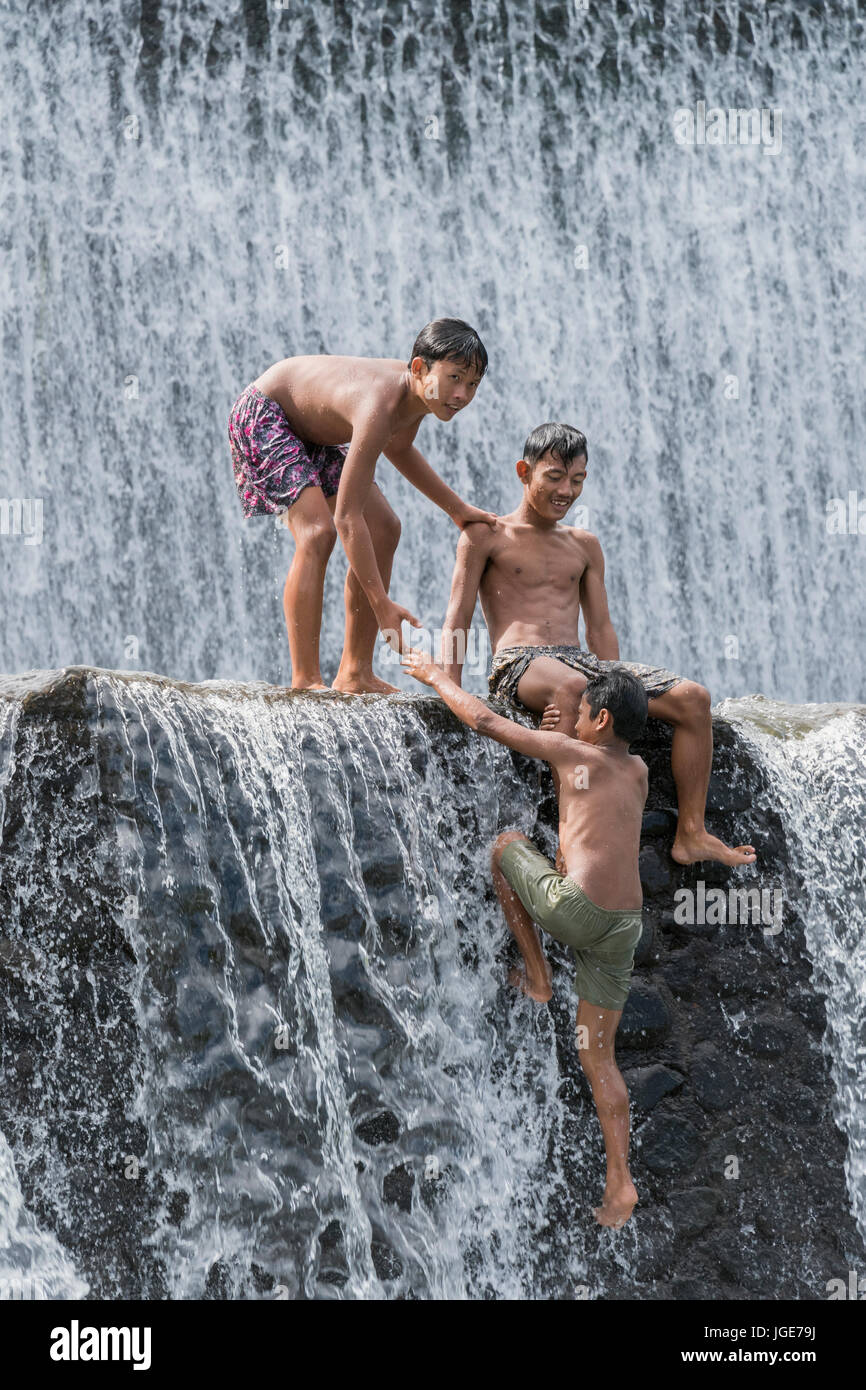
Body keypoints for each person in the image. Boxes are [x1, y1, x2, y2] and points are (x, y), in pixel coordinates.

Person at [403, 651, 649, 1229]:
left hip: (574, 911)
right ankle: (620, 1181)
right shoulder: (635, 770)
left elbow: (487, 723)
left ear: (602, 721)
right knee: (599, 1055)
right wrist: (568, 737)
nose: (574, 719)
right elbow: (586, 786)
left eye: (583, 712)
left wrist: (436, 676)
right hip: (622, 929)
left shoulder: (572, 752)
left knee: (504, 845)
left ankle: (538, 977)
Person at [439, 422, 757, 867]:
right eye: (554, 477)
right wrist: (447, 688)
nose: (566, 490)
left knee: (693, 699)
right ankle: (571, 847)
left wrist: (619, 691)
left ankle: (691, 833)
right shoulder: (485, 535)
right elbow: (458, 614)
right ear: (523, 471)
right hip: (519, 663)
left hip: (580, 663)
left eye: (578, 480)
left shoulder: (584, 545)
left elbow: (601, 629)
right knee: (570, 687)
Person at [228, 318, 496, 693]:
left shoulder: (418, 397)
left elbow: (399, 448)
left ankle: (355, 673)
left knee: (386, 528)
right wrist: (381, 603)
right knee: (319, 533)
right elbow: (347, 519)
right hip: (266, 416)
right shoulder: (380, 403)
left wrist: (457, 509)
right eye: (455, 378)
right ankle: (305, 680)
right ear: (419, 368)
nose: (463, 394)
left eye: (472, 384)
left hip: (312, 432)